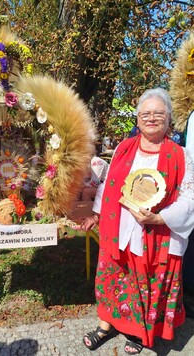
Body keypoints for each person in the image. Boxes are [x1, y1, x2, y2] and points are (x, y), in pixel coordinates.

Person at [80, 88, 194, 354]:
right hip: (119, 227)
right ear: (138, 118)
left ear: (169, 119)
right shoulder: (123, 147)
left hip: (157, 233)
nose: (151, 118)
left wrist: (160, 217)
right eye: (145, 113)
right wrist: (96, 215)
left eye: (158, 113)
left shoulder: (181, 155)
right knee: (114, 276)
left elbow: (190, 197)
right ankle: (106, 325)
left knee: (146, 281)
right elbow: (109, 186)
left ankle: (139, 332)